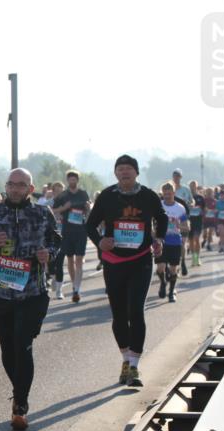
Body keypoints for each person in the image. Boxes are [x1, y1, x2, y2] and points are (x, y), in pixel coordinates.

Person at [0, 168, 60, 431]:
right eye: (11, 184)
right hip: (1, 294)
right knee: (8, 350)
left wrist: (48, 253)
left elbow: (56, 240)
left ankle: (20, 402)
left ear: (30, 189)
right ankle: (19, 389)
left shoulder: (42, 213)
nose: (15, 189)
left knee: (23, 345)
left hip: (32, 293)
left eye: (21, 185)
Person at [86, 155, 167, 388]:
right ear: (115, 174)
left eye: (128, 169)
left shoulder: (149, 196)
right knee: (119, 314)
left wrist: (159, 238)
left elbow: (161, 218)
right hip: (114, 261)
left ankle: (134, 365)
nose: (124, 172)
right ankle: (125, 359)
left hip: (140, 260)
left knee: (136, 311)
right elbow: (90, 224)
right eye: (120, 169)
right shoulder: (107, 196)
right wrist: (100, 241)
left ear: (136, 172)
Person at [51, 170, 92, 303]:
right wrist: (64, 208)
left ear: (77, 181)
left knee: (79, 259)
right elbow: (52, 210)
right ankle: (74, 284)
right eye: (70, 179)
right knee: (69, 259)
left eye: (74, 179)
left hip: (81, 230)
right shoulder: (63, 195)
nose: (72, 181)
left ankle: (76, 289)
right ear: (68, 181)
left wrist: (88, 207)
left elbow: (88, 210)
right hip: (67, 230)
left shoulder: (83, 193)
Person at [156, 182, 187, 303]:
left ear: (174, 193)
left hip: (174, 241)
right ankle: (163, 282)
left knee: (173, 269)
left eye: (169, 193)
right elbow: (151, 220)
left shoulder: (180, 208)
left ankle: (171, 293)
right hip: (161, 240)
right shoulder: (158, 205)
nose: (167, 196)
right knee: (160, 268)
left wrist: (179, 225)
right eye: (165, 194)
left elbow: (186, 227)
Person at [187, 180, 205, 266]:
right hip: (189, 222)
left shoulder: (200, 198)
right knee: (190, 241)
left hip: (198, 221)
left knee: (196, 238)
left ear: (196, 187)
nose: (192, 187)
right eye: (191, 186)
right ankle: (193, 258)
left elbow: (204, 209)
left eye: (194, 186)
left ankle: (197, 258)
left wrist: (202, 211)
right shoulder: (187, 197)